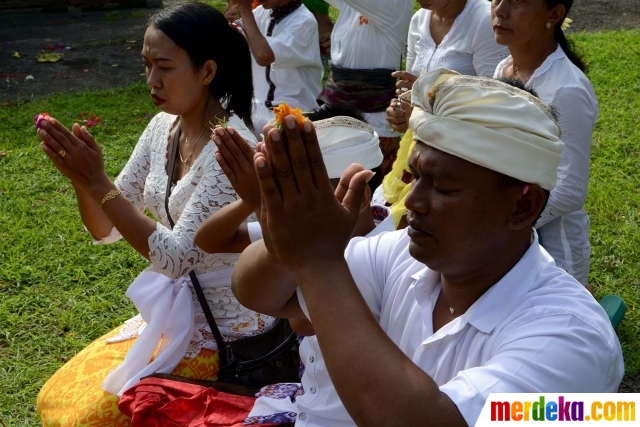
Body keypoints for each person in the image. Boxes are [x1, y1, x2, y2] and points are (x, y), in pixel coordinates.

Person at [231, 69, 624, 427]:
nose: (414, 201)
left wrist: (317, 262)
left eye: (444, 187)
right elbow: (258, 293)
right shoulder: (400, 255)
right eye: (415, 176)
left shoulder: (574, 337)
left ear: (523, 206)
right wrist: (286, 245)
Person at [35, 3, 277, 425]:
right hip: (174, 312)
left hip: (228, 327)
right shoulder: (162, 127)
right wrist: (81, 179)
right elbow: (105, 229)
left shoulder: (229, 146)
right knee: (54, 398)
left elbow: (175, 257)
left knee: (88, 417)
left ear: (207, 72)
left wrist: (98, 183)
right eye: (147, 65)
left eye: (164, 67)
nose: (151, 80)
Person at [491, 0, 596, 287]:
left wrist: (507, 226)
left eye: (518, 2)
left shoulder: (567, 89)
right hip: (507, 234)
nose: (500, 10)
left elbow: (570, 189)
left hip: (553, 249)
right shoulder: (504, 70)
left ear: (554, 14)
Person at [380, 0, 509, 227]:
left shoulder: (484, 21)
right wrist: (401, 113)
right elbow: (410, 90)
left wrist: (425, 101)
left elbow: (495, 105)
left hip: (460, 154)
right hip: (420, 145)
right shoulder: (419, 19)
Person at [318, 0, 413, 175]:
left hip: (373, 122)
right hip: (336, 110)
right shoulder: (352, 6)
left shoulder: (396, 3)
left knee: (356, 188)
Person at [231, 0, 324, 131]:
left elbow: (263, 55)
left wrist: (244, 9)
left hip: (297, 114)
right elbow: (231, 38)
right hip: (260, 112)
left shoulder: (303, 22)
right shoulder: (262, 12)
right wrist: (232, 10)